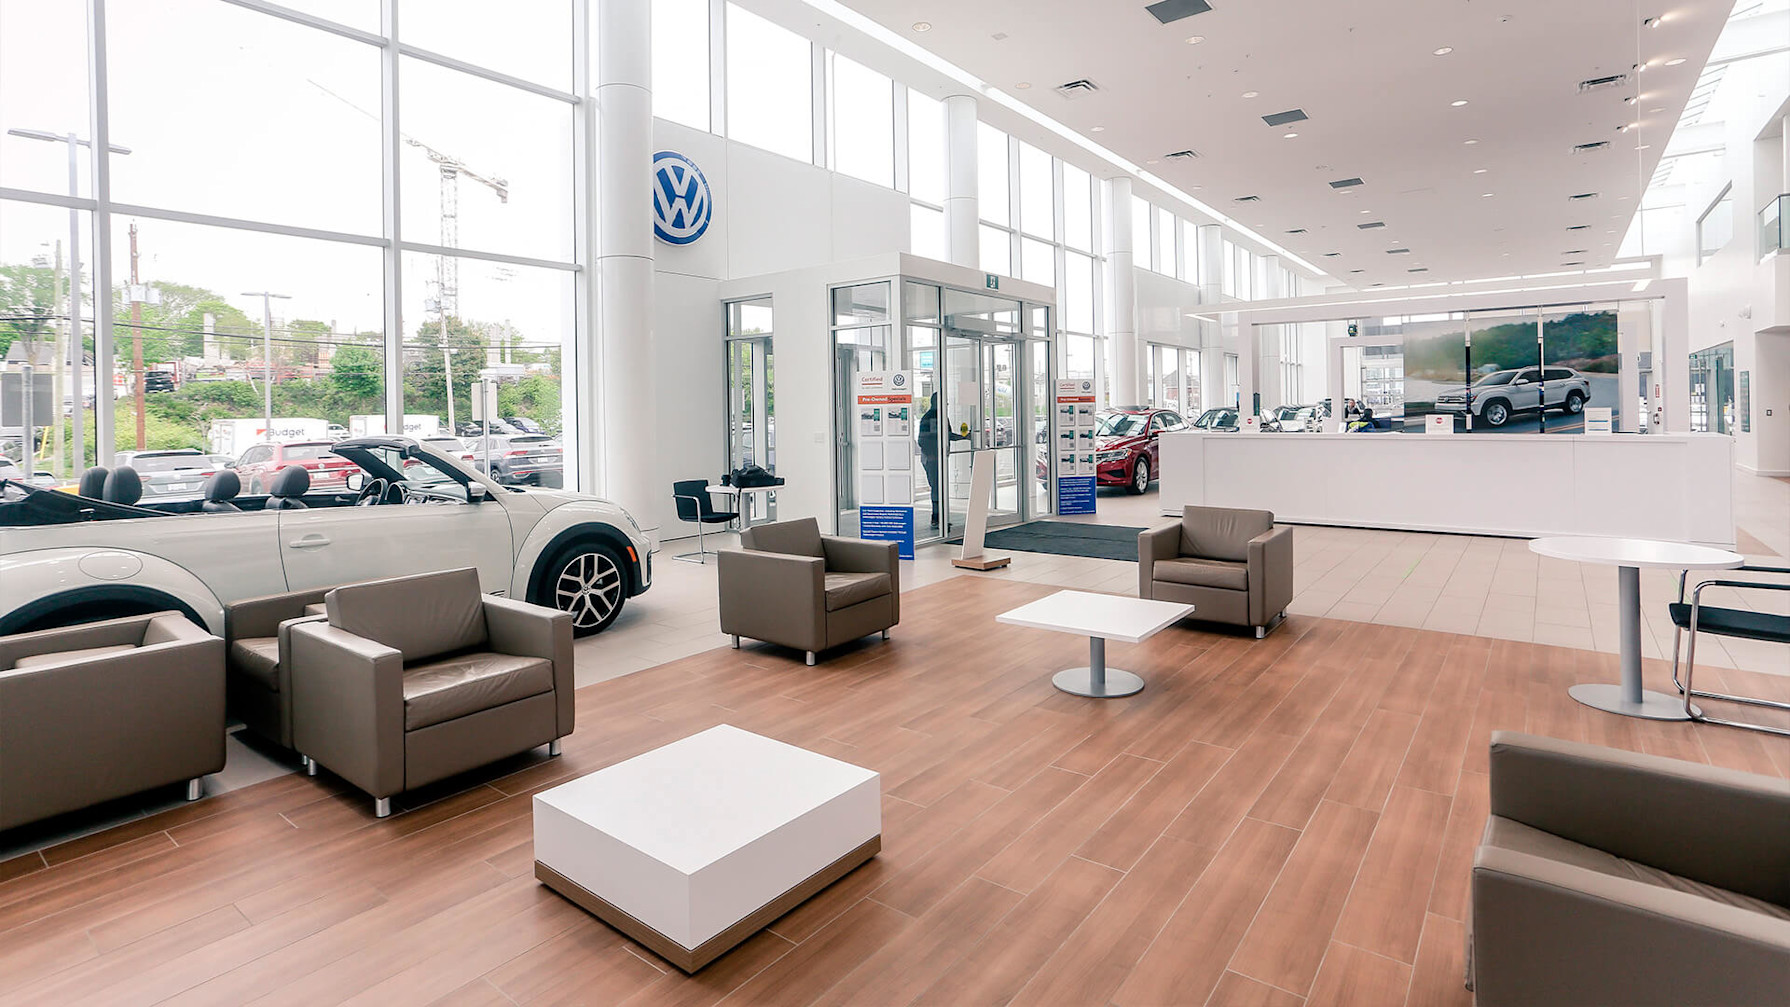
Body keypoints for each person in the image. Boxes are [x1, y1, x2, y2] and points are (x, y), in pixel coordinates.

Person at [916, 392, 966, 528]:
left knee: (939, 488)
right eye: (945, 402)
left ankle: (939, 517)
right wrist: (932, 455)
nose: (947, 404)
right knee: (937, 488)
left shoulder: (941, 416)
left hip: (937, 457)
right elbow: (923, 439)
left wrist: (963, 437)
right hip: (932, 458)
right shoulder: (931, 417)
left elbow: (946, 435)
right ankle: (936, 518)